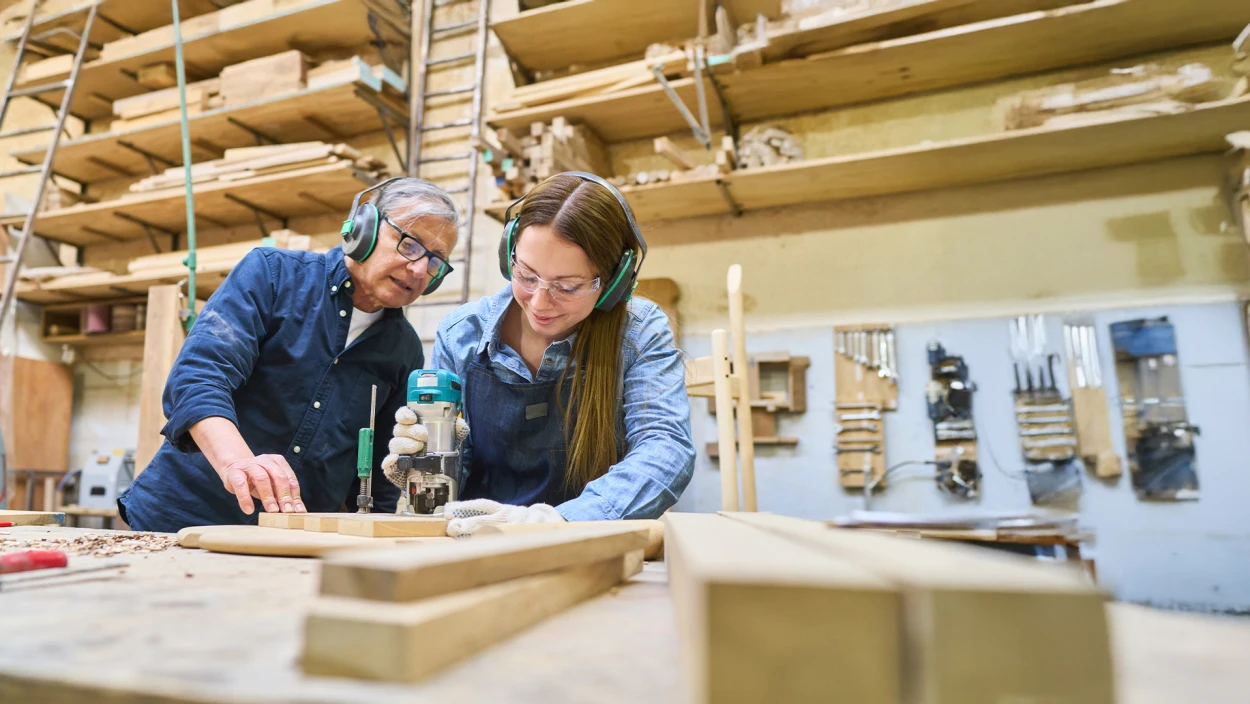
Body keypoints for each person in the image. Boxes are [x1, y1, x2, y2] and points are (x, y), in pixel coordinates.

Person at [117, 178, 458, 533]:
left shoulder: (404, 348)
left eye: (436, 261)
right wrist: (236, 463)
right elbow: (198, 379)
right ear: (364, 229)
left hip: (292, 540)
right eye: (410, 245)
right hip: (181, 519)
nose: (420, 270)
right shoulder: (273, 274)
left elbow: (379, 471)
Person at [391, 172, 694, 535]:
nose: (539, 303)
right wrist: (422, 469)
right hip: (478, 539)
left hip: (587, 541)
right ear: (509, 255)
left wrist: (559, 521)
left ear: (614, 283)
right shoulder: (462, 335)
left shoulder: (638, 332)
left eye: (568, 287)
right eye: (527, 276)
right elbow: (456, 475)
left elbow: (666, 446)